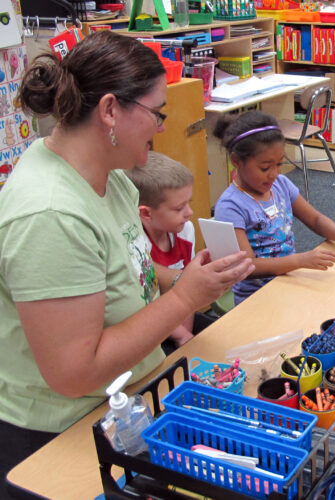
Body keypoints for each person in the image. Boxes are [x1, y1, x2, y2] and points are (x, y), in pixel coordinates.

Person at [0, 31, 253, 494]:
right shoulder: (50, 216)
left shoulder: (108, 175)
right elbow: (75, 372)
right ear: (111, 110)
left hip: (125, 402)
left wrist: (180, 278)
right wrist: (184, 298)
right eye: (157, 114)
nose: (161, 127)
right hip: (63, 436)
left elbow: (123, 266)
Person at [212, 110, 335, 304]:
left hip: (290, 281)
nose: (274, 173)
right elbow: (248, 267)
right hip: (257, 299)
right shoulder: (231, 206)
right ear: (236, 161)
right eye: (265, 168)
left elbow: (315, 219)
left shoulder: (281, 185)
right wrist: (299, 261)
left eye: (279, 164)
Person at [125, 151, 204, 351]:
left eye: (189, 203)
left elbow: (189, 286)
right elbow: (145, 305)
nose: (190, 213)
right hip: (149, 328)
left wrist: (186, 335)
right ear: (145, 213)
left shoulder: (185, 230)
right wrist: (180, 336)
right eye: (179, 208)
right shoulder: (136, 245)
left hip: (180, 316)